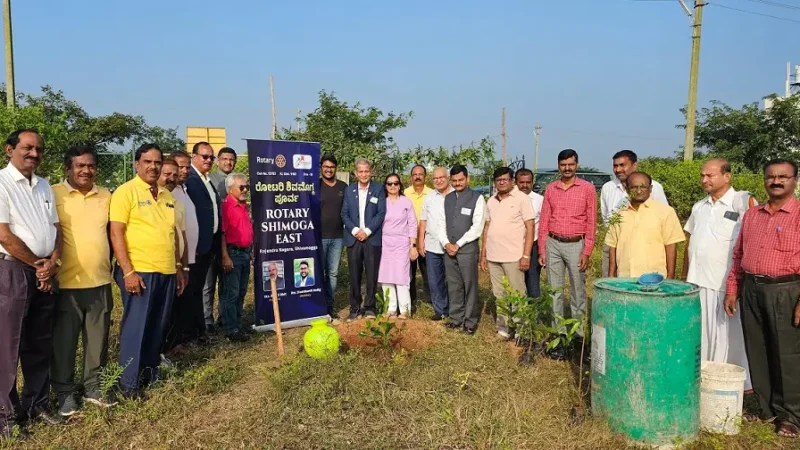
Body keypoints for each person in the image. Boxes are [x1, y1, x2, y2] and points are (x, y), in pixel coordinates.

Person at [724, 159, 800, 437]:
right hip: (753, 289)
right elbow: (738, 255)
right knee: (757, 350)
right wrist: (734, 288)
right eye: (771, 177)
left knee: (788, 354)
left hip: (787, 290)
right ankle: (768, 410)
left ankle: (792, 415)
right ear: (764, 180)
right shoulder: (753, 215)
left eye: (783, 177)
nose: (776, 181)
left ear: (794, 180)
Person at [110, 143, 185, 398]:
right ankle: (128, 384)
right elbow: (116, 232)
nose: (153, 166)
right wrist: (128, 271)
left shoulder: (166, 195)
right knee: (136, 328)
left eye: (157, 162)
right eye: (147, 162)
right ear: (137, 164)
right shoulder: (125, 192)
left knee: (157, 326)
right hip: (139, 272)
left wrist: (178, 267)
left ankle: (149, 374)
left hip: (165, 271)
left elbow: (171, 234)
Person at [0, 129, 62, 436]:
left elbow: (55, 229)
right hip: (13, 272)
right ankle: (5, 415)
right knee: (7, 345)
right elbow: (4, 235)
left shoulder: (43, 185)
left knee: (39, 342)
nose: (34, 154)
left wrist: (51, 262)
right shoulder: (1, 182)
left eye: (39, 149)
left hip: (44, 272)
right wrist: (39, 265)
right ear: (9, 150)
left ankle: (36, 403)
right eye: (27, 148)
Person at [51, 146, 116, 418]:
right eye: (79, 166)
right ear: (68, 168)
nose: (85, 171)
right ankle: (65, 392)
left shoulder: (106, 195)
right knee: (64, 342)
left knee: (97, 340)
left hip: (100, 280)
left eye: (90, 166)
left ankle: (93, 387)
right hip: (66, 283)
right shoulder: (53, 193)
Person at [682, 159, 754, 390]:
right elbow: (689, 242)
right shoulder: (699, 206)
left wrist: (739, 283)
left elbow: (749, 242)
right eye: (702, 175)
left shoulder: (741, 202)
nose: (704, 180)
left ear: (727, 176)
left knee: (726, 336)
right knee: (700, 333)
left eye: (710, 175)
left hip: (724, 284)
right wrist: (685, 279)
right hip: (697, 281)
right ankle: (701, 378)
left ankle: (730, 384)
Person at [538, 149, 596, 337]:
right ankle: (558, 332)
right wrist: (542, 249)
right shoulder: (551, 188)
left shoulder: (587, 188)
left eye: (570, 164)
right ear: (558, 166)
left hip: (576, 244)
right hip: (553, 243)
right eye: (563, 165)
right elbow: (545, 220)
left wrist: (586, 251)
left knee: (577, 291)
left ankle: (578, 334)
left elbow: (591, 221)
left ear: (576, 165)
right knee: (554, 290)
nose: (567, 168)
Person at [481, 167, 535, 339]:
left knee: (517, 293)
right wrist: (483, 254)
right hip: (494, 256)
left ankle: (521, 330)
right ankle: (503, 329)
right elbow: (487, 227)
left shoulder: (521, 199)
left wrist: (526, 255)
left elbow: (530, 226)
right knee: (499, 294)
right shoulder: (491, 201)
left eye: (505, 179)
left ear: (512, 181)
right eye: (498, 180)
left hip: (514, 256)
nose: (501, 182)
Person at [600, 150, 669, 277]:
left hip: (645, 248)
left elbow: (664, 216)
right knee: (611, 284)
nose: (618, 169)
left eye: (622, 165)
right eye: (615, 166)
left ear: (634, 166)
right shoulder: (608, 188)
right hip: (613, 244)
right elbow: (606, 218)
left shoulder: (653, 186)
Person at [605, 172, 684, 278]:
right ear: (626, 188)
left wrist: (670, 278)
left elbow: (670, 246)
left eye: (643, 187)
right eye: (634, 187)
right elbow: (612, 246)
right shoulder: (618, 213)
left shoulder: (665, 212)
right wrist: (611, 277)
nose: (638, 191)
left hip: (655, 279)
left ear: (650, 189)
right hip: (624, 279)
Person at [440, 165, 486, 335]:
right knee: (453, 285)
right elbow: (440, 223)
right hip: (449, 249)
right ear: (450, 181)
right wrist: (446, 243)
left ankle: (470, 321)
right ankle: (456, 318)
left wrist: (458, 244)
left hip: (466, 250)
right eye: (454, 180)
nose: (458, 183)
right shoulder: (448, 198)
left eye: (461, 180)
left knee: (470, 285)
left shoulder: (477, 198)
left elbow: (477, 226)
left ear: (468, 179)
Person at [185, 141, 223, 339]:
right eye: (204, 156)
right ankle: (193, 332)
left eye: (211, 157)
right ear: (194, 156)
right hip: (196, 246)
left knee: (199, 289)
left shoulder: (206, 180)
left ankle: (199, 329)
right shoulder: (189, 179)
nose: (208, 160)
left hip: (209, 244)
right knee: (193, 291)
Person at [341, 158, 386, 321]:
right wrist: (354, 230)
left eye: (366, 171)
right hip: (353, 239)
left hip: (371, 238)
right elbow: (344, 214)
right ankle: (354, 308)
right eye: (360, 171)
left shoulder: (379, 189)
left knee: (372, 274)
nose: (364, 174)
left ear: (371, 172)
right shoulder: (349, 190)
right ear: (355, 173)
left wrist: (366, 231)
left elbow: (381, 213)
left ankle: (370, 308)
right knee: (354, 274)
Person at [165, 150, 198, 356]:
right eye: (179, 168)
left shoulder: (183, 190)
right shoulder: (167, 193)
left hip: (188, 259)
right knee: (173, 306)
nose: (181, 172)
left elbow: (183, 231)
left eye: (185, 168)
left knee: (184, 302)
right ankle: (169, 346)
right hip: (169, 263)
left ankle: (178, 341)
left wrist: (185, 264)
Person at [156, 159, 189, 363]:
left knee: (170, 311)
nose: (172, 179)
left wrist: (183, 265)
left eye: (175, 175)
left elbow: (180, 235)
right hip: (154, 266)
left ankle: (165, 350)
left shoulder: (174, 200)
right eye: (167, 174)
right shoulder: (152, 199)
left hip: (174, 265)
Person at [378, 174, 418, 319]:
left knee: (401, 277)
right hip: (385, 244)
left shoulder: (406, 202)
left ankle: (405, 309)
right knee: (386, 277)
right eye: (389, 183)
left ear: (400, 185)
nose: (393, 186)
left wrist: (413, 245)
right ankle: (391, 308)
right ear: (386, 186)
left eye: (395, 183)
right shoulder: (382, 202)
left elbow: (413, 224)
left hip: (402, 245)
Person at [220, 172, 253, 342]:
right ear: (230, 188)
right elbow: (222, 234)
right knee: (231, 293)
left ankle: (237, 324)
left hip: (245, 253)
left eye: (246, 186)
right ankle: (230, 329)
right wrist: (225, 256)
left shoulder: (243, 206)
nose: (245, 189)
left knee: (241, 291)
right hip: (233, 254)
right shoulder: (226, 207)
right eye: (241, 187)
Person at [206, 147, 237, 328]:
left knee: (226, 283)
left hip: (230, 240)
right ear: (218, 161)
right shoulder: (210, 180)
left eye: (231, 159)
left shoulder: (237, 179)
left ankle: (223, 319)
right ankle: (207, 321)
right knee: (209, 283)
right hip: (213, 238)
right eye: (224, 159)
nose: (228, 162)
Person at [419, 167, 453, 320]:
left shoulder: (456, 195)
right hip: (432, 245)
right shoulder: (430, 197)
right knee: (434, 279)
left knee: (453, 279)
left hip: (452, 246)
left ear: (448, 178)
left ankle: (455, 308)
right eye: (435, 178)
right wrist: (421, 241)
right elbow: (423, 220)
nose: (438, 181)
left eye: (441, 177)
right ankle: (440, 309)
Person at [319, 155, 347, 320]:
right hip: (319, 237)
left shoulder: (343, 187)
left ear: (335, 168)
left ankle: (329, 307)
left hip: (337, 237)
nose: (329, 169)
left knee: (332, 273)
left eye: (332, 167)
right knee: (319, 272)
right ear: (321, 167)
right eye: (326, 166)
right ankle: (318, 306)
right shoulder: (315, 185)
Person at [404, 164, 432, 311]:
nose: (417, 176)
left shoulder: (432, 194)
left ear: (425, 176)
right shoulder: (405, 193)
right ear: (411, 177)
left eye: (420, 174)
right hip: (409, 240)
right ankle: (411, 300)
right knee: (410, 273)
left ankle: (432, 300)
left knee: (429, 272)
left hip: (428, 239)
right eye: (415, 174)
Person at [515, 168, 544, 298]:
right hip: (513, 245)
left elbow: (544, 225)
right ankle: (515, 314)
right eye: (521, 182)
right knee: (514, 280)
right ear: (516, 182)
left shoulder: (540, 200)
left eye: (528, 182)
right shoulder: (510, 199)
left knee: (532, 280)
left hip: (533, 245)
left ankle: (534, 316)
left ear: (532, 183)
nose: (525, 185)